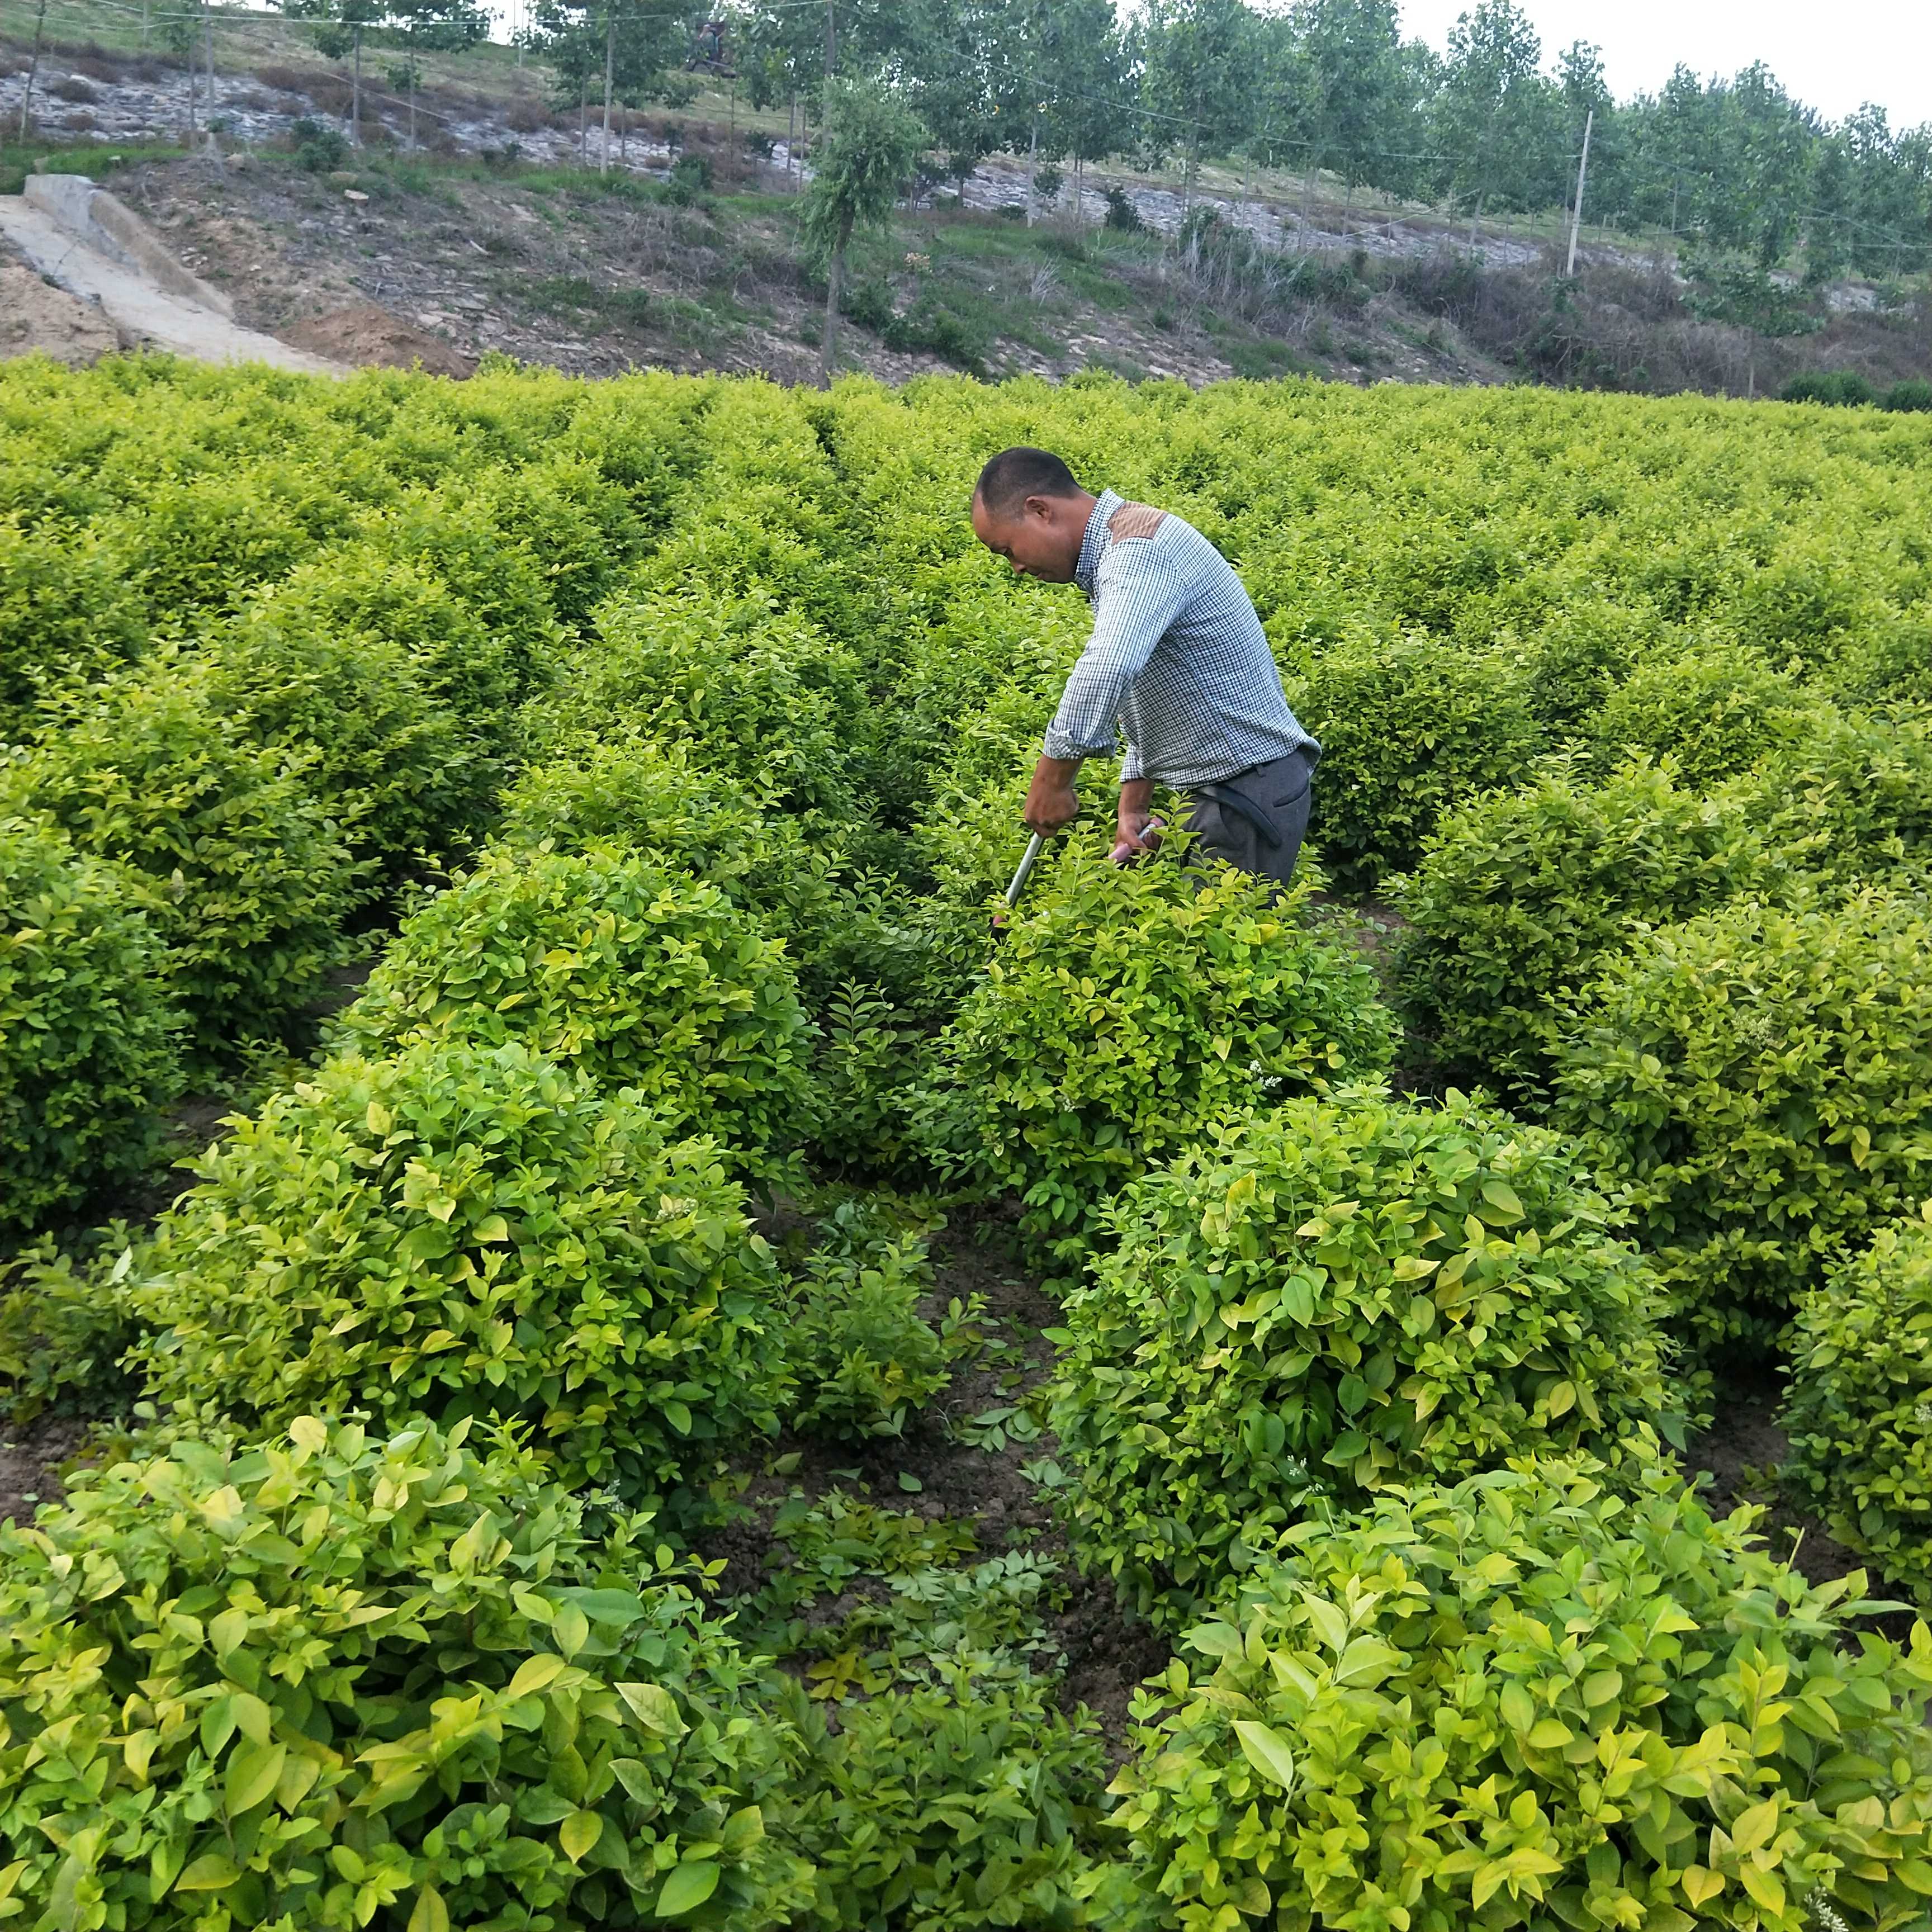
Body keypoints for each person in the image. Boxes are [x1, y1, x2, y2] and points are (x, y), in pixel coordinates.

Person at [969, 445, 1320, 887]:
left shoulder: (1138, 552)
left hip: (1244, 796)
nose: (1016, 567)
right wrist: (1133, 804)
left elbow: (1111, 665)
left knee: (1222, 947)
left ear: (1039, 510)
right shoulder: (1123, 546)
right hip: (1230, 791)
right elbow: (1151, 687)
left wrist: (1051, 782)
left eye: (1006, 550)